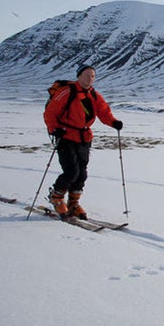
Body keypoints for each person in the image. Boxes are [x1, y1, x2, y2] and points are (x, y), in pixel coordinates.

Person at [43, 64, 122, 218]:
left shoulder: (94, 95)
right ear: (78, 76)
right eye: (87, 75)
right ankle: (57, 197)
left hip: (84, 137)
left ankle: (74, 202)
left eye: (92, 76)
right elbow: (50, 113)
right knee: (71, 171)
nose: (90, 78)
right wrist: (54, 129)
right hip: (66, 136)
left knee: (82, 173)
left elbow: (104, 112)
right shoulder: (66, 92)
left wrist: (113, 122)